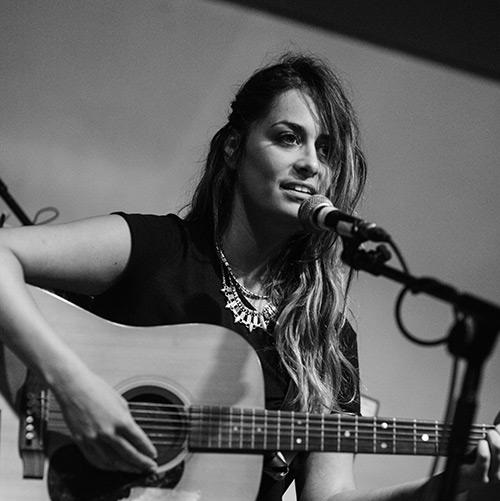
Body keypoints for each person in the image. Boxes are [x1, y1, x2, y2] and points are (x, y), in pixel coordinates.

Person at [0, 53, 498, 501]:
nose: (310, 163)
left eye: (325, 150)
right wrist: (74, 387)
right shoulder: (157, 248)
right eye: (288, 138)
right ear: (235, 149)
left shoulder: (326, 337)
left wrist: (450, 487)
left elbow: (330, 497)